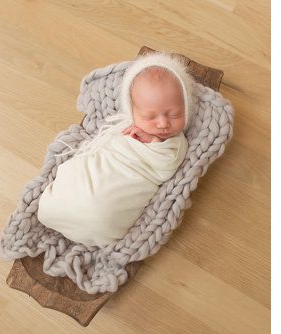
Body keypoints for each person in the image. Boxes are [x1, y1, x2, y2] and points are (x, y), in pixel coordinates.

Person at [35, 52, 193, 248]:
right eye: (150, 116)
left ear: (186, 108)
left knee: (103, 209)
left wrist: (153, 142)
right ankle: (58, 205)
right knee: (75, 174)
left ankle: (91, 221)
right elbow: (100, 149)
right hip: (101, 170)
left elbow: (167, 168)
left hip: (123, 186)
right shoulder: (121, 126)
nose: (162, 123)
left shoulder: (175, 144)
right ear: (132, 112)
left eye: (174, 114)